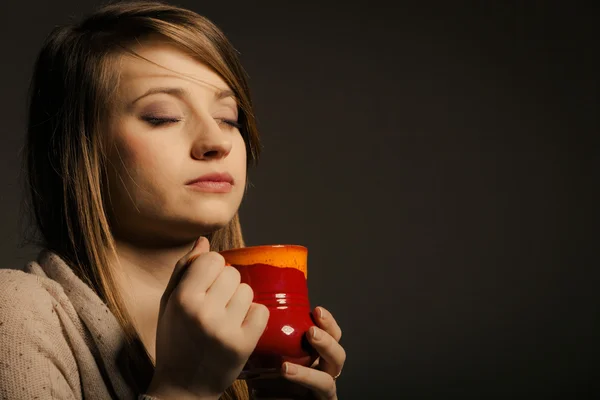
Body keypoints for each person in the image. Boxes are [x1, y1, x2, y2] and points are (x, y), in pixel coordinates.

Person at [0, 1, 346, 399]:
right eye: (163, 116)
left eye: (229, 118)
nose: (217, 142)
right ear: (77, 151)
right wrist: (184, 389)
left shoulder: (247, 336)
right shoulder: (17, 314)